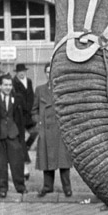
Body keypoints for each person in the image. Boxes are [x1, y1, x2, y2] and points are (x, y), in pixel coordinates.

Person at [32, 63, 72, 197]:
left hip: (60, 130)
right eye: (47, 72)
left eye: (52, 71)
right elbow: (34, 110)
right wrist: (39, 123)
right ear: (45, 73)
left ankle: (67, 188)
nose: (50, 74)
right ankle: (47, 186)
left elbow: (68, 110)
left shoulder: (63, 89)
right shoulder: (40, 90)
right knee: (47, 160)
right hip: (46, 130)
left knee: (63, 161)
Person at [0, 73, 27, 198]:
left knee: (17, 162)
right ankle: (2, 189)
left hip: (13, 134)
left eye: (10, 85)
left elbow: (22, 116)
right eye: (5, 85)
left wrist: (20, 133)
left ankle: (20, 187)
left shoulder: (17, 97)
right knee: (1, 164)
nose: (8, 87)